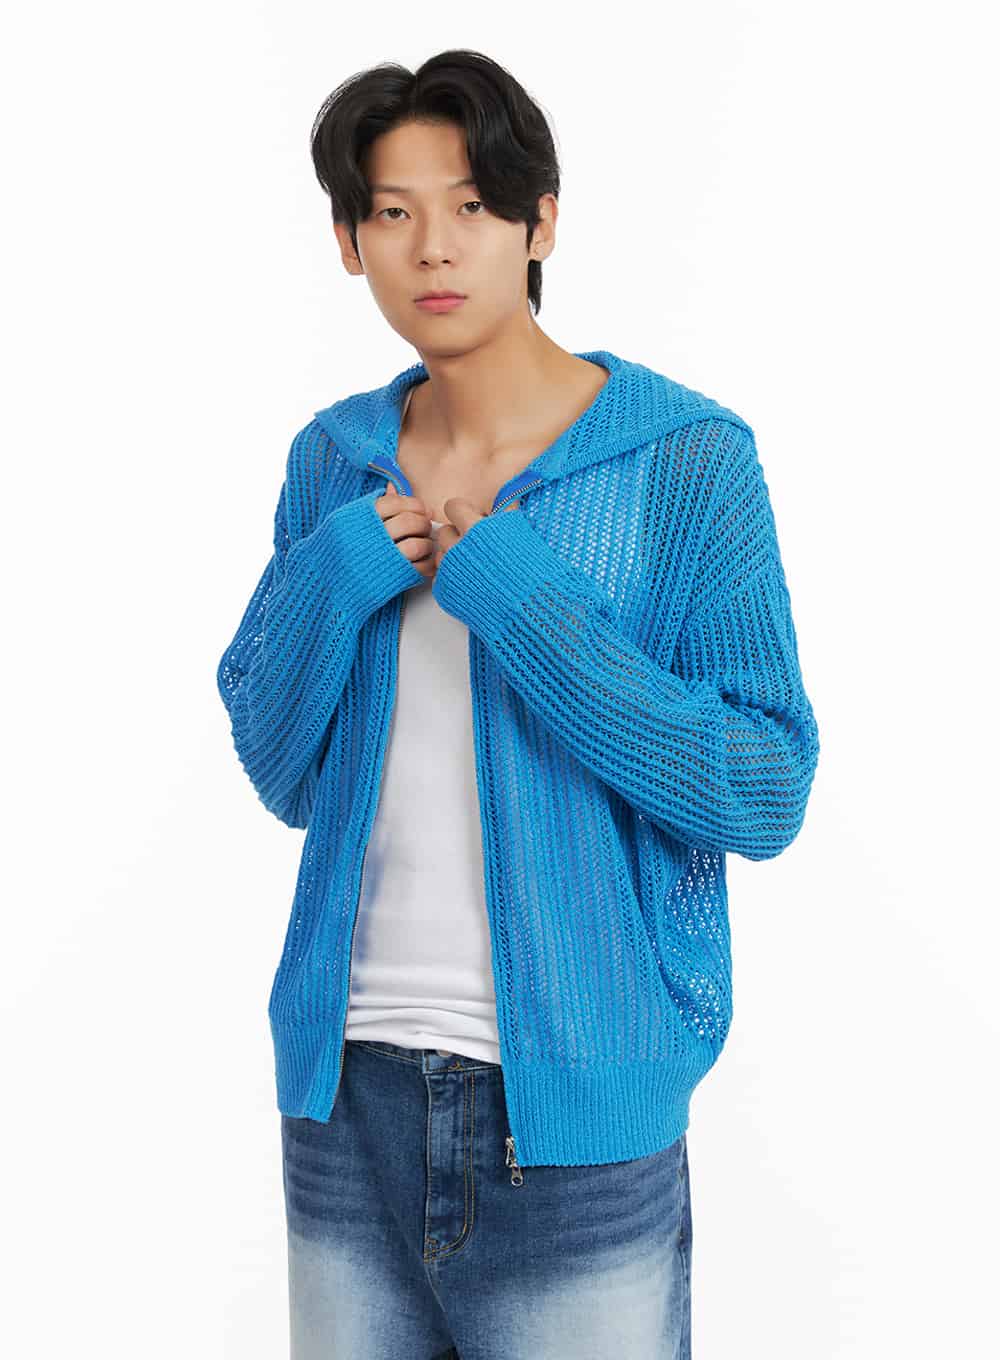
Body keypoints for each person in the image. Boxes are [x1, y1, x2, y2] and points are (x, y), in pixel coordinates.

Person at [216, 47, 820, 1360]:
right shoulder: (334, 465)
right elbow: (279, 766)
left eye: (475, 205)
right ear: (348, 242)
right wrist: (338, 574)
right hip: (342, 1095)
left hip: (579, 1121)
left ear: (541, 224)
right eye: (393, 211)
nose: (435, 246)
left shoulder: (684, 462)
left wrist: (526, 607)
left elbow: (764, 783)